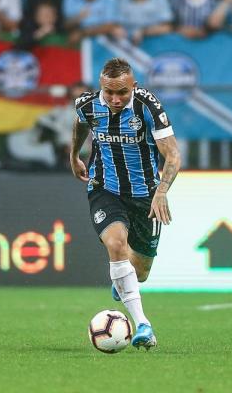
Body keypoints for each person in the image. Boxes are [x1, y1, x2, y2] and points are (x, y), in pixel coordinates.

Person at [69, 58, 181, 350]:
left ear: (133, 85)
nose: (116, 99)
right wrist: (74, 155)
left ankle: (125, 281)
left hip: (145, 194)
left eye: (122, 92)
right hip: (103, 188)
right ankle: (143, 324)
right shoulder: (88, 104)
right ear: (101, 87)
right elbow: (80, 124)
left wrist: (161, 192)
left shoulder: (148, 106)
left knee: (141, 271)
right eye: (109, 93)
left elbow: (173, 156)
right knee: (116, 245)